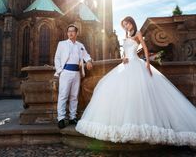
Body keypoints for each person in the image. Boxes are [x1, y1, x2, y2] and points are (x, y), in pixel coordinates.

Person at [76, 16, 196, 146]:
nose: (126, 26)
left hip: (137, 65)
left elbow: (144, 49)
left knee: (139, 93)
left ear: (132, 23)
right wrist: (123, 58)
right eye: (124, 25)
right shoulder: (127, 35)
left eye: (127, 24)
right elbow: (125, 53)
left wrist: (148, 64)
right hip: (126, 65)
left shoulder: (138, 33)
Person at [54, 24, 93, 129]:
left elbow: (86, 56)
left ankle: (72, 117)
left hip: (76, 73)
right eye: (69, 31)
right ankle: (61, 118)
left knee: (74, 96)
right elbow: (57, 58)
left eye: (72, 31)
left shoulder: (80, 45)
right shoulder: (62, 44)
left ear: (76, 33)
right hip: (66, 72)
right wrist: (60, 71)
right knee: (63, 95)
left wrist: (89, 61)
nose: (70, 33)